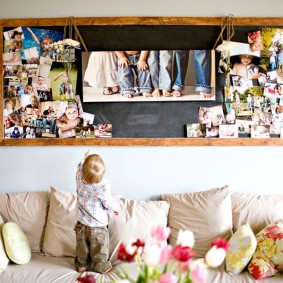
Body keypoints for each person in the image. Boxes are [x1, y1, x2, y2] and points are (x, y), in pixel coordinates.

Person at [74, 150, 118, 274]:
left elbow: (80, 167)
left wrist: (86, 157)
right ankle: (101, 266)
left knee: (81, 248)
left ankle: (81, 265)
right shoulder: (102, 187)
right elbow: (108, 202)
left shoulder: (78, 177)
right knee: (100, 248)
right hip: (98, 226)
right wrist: (115, 209)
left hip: (81, 223)